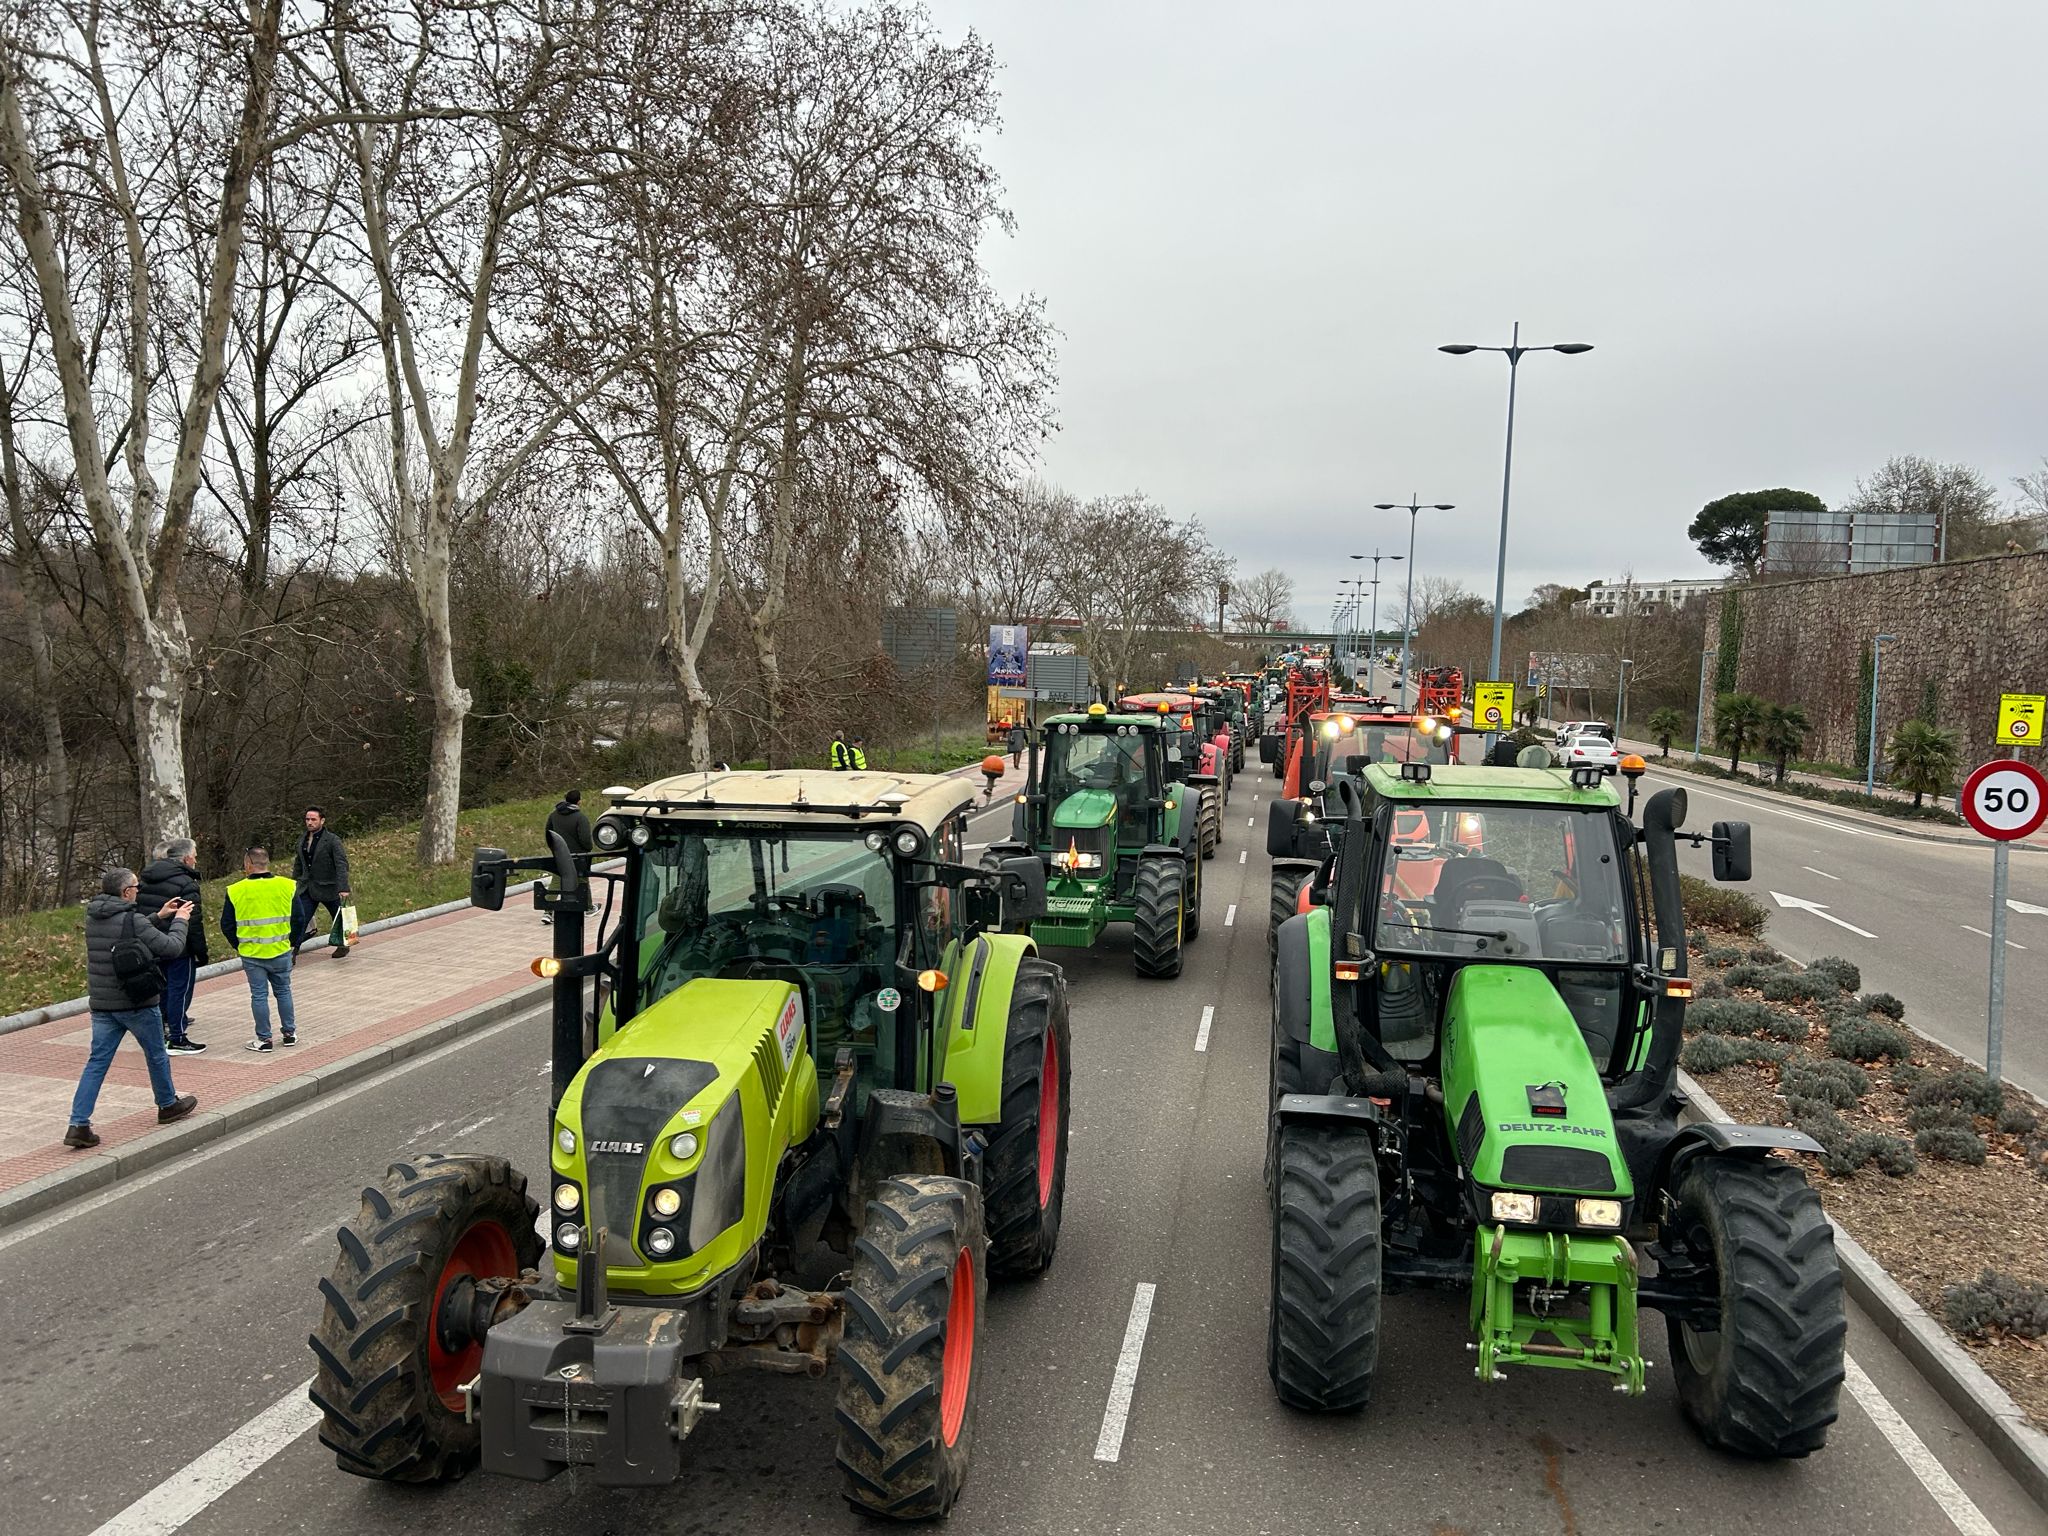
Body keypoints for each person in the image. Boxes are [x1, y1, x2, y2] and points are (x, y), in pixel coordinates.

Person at [65, 868, 199, 1148]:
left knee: (97, 1063)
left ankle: (78, 1124)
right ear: (126, 892)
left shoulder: (93, 917)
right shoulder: (132, 919)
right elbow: (172, 948)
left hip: (103, 1005)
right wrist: (181, 920)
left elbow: (123, 933)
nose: (139, 890)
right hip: (136, 1003)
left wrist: (157, 917)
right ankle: (167, 1104)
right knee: (156, 1054)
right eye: (136, 887)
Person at [138, 838, 210, 1054]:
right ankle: (177, 1037)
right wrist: (201, 952)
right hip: (179, 946)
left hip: (152, 942)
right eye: (195, 856)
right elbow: (193, 921)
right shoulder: (186, 883)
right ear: (187, 858)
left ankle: (158, 1034)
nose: (196, 860)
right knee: (179, 991)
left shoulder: (146, 878)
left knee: (160, 990)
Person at [225, 846, 298, 1051]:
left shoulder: (235, 890)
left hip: (251, 953)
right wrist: (292, 942)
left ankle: (265, 1040)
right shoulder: (287, 886)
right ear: (267, 863)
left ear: (248, 864)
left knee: (259, 995)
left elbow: (227, 924)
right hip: (281, 948)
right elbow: (300, 918)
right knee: (283, 991)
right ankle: (289, 1033)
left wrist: (238, 945)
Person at [291, 805, 353, 958]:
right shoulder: (302, 839)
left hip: (329, 887)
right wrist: (294, 883)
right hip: (307, 887)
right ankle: (292, 951)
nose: (310, 822)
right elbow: (299, 863)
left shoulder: (332, 840)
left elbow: (341, 864)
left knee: (340, 917)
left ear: (322, 821)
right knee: (300, 919)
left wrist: (343, 887)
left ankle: (344, 945)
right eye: (307, 819)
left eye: (313, 819)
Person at [540, 790, 595, 927]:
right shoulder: (580, 817)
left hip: (560, 854)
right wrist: (587, 849)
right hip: (578, 856)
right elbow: (585, 840)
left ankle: (547, 910)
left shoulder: (554, 815)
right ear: (579, 801)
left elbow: (548, 832)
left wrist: (554, 848)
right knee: (582, 880)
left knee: (557, 880)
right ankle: (588, 907)